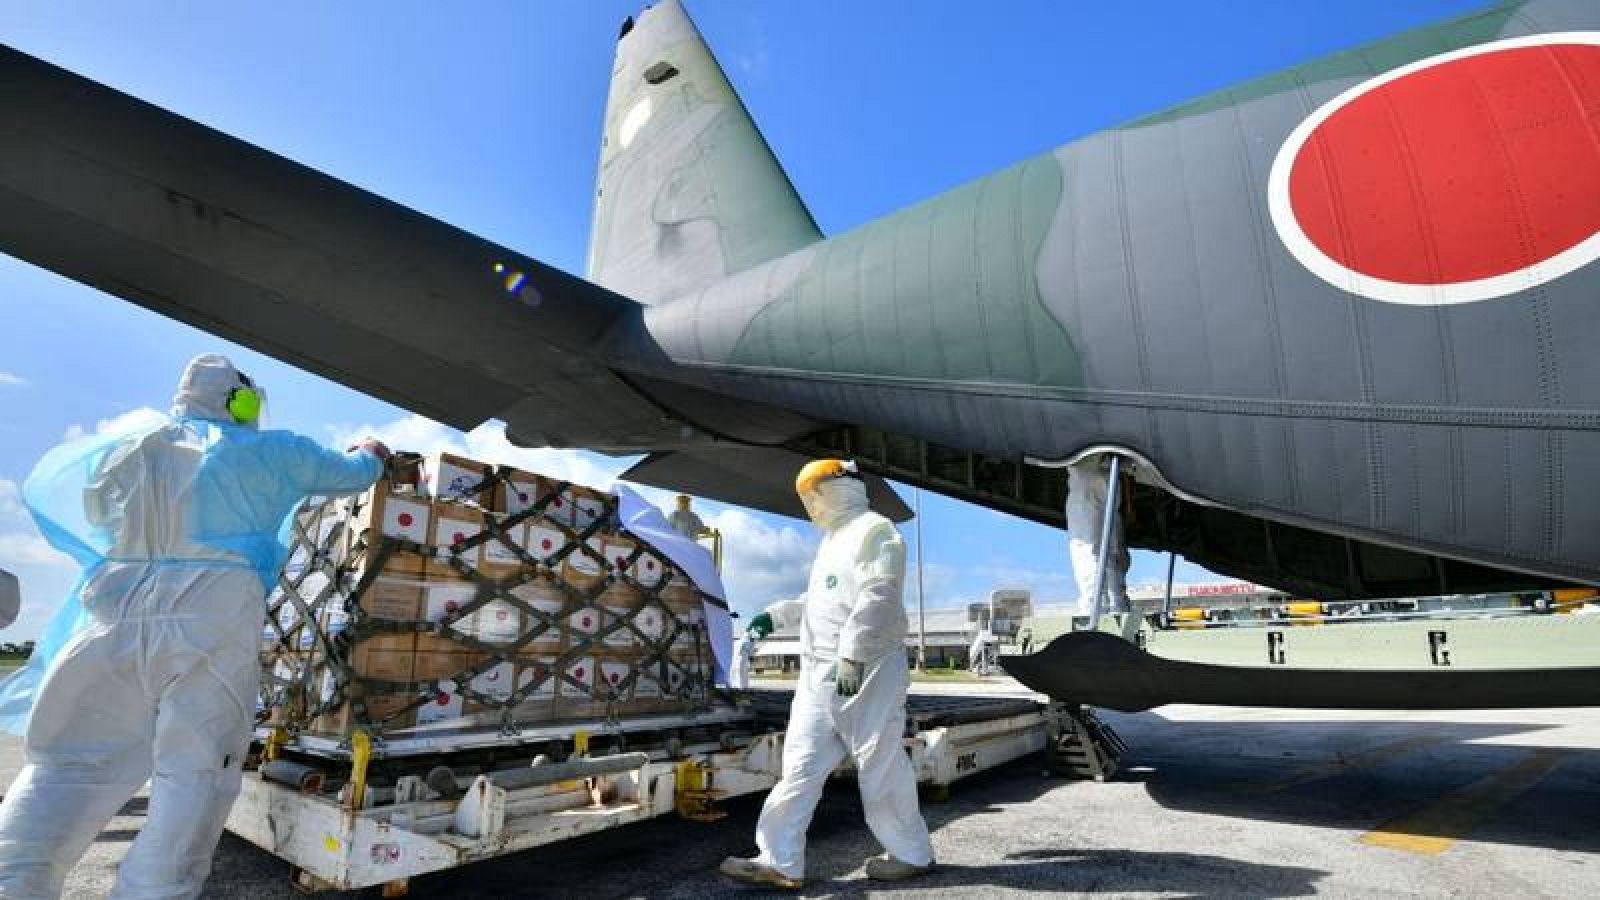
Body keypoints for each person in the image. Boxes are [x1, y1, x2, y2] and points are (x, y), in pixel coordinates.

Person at [0, 354, 388, 899]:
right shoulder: (271, 453)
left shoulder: (128, 452)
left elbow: (98, 513)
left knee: (64, 771)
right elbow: (353, 474)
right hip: (209, 618)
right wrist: (373, 451)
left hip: (109, 614)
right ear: (242, 401)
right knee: (194, 777)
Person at [720, 459, 934, 890]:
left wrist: (853, 658)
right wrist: (775, 616)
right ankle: (780, 861)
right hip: (819, 677)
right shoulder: (833, 541)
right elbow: (819, 599)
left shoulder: (876, 531)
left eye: (813, 493)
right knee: (799, 766)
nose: (809, 504)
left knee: (881, 764)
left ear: (841, 488)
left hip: (868, 671)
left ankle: (911, 853)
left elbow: (879, 598)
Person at [1067, 455, 1130, 624]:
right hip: (1107, 473)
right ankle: (1116, 602)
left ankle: (1095, 605)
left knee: (1086, 544)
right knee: (1110, 544)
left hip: (1085, 470)